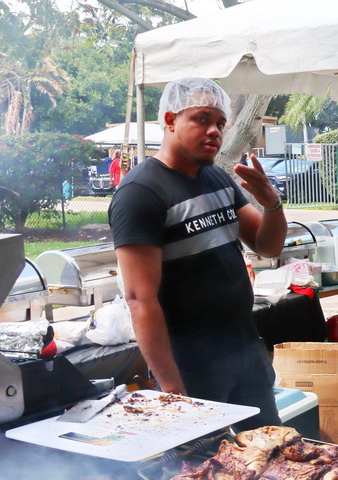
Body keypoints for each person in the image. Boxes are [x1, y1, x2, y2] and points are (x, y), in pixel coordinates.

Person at [110, 77, 287, 428]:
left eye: (220, 123)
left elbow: (268, 246)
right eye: (202, 119)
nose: (214, 131)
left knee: (269, 452)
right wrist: (173, 389)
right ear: (171, 120)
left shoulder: (216, 179)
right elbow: (140, 300)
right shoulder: (141, 193)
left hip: (243, 347)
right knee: (202, 469)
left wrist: (272, 205)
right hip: (191, 364)